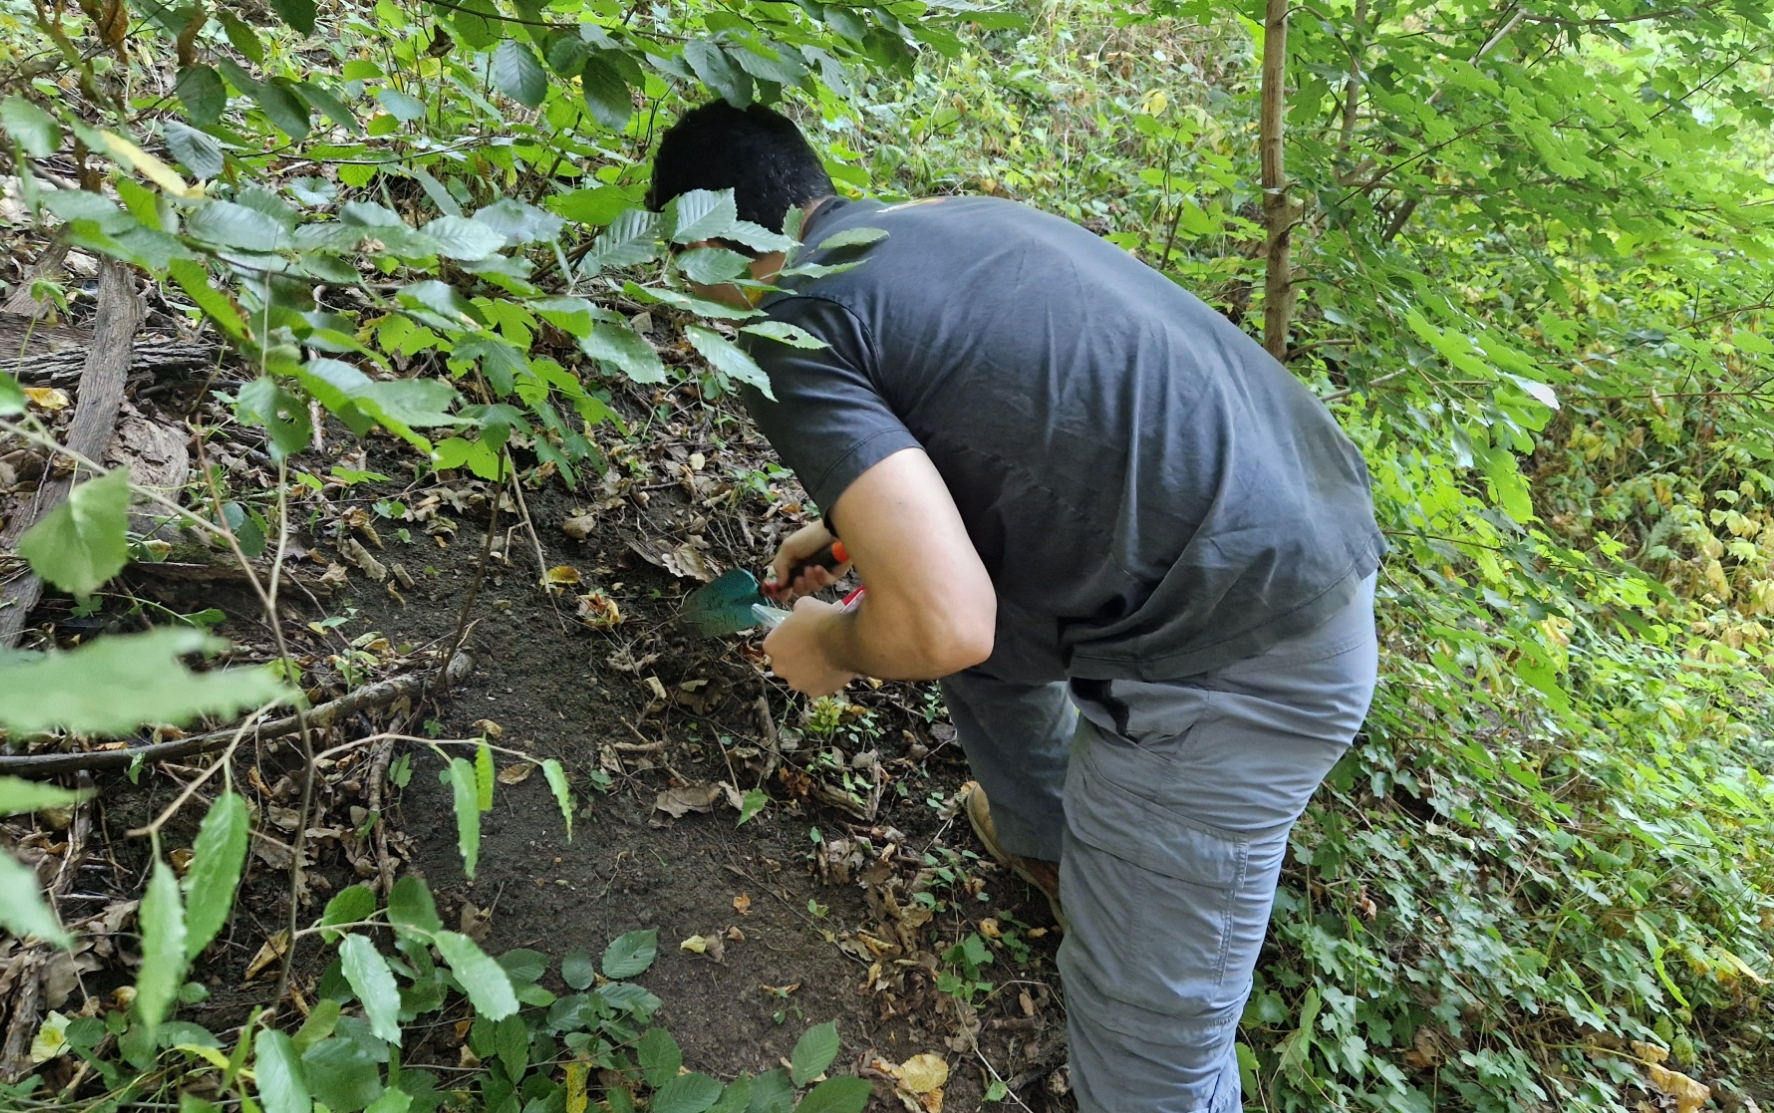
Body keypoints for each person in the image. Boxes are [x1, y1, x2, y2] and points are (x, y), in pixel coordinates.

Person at [646, 100, 1385, 1113]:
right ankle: (1051, 848)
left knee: (1147, 1045)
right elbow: (1032, 425)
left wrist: (829, 642)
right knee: (972, 650)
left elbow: (944, 622)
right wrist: (858, 536)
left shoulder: (787, 317)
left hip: (1231, 664)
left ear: (706, 248)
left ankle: (1114, 906)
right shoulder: (942, 222)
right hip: (1295, 534)